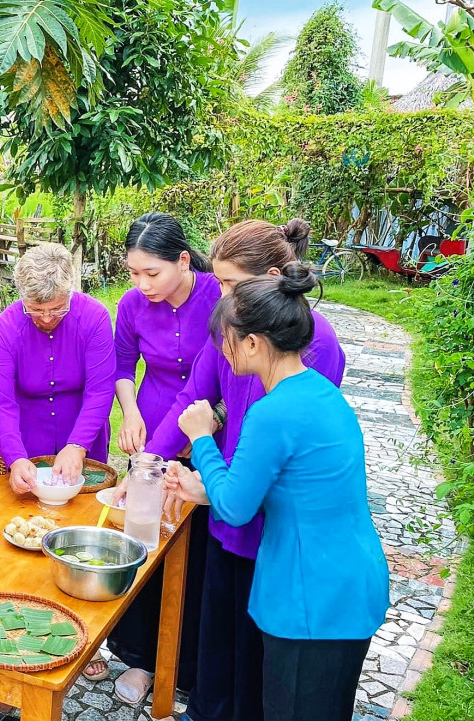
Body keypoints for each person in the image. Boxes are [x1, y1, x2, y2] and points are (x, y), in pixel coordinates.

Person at [164, 262, 389, 721]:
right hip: (345, 585)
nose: (220, 349)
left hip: (312, 599)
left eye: (224, 338)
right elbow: (285, 489)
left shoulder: (274, 412)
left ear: (252, 342)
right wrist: (203, 487)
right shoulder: (317, 394)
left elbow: (235, 508)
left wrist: (203, 439)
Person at [144, 218, 346, 721]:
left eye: (231, 284)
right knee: (220, 632)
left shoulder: (312, 346)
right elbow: (195, 397)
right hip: (226, 503)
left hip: (267, 519)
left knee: (261, 655)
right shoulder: (232, 325)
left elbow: (277, 454)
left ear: (273, 277)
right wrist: (150, 459)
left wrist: (207, 468)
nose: (221, 296)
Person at [102, 214, 220, 698]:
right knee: (146, 537)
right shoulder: (132, 304)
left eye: (152, 272)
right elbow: (123, 362)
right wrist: (130, 412)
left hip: (207, 430)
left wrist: (205, 427)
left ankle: (188, 662)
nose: (141, 283)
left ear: (183, 261)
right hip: (153, 428)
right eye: (133, 272)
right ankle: (140, 658)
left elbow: (217, 378)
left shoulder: (219, 297)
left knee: (198, 552)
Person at [0, 242, 116, 493]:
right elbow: (1, 401)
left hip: (85, 435)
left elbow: (100, 390)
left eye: (58, 309)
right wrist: (15, 457)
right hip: (27, 440)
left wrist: (78, 445)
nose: (46, 318)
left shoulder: (95, 318)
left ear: (70, 292)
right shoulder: (4, 329)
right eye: (35, 310)